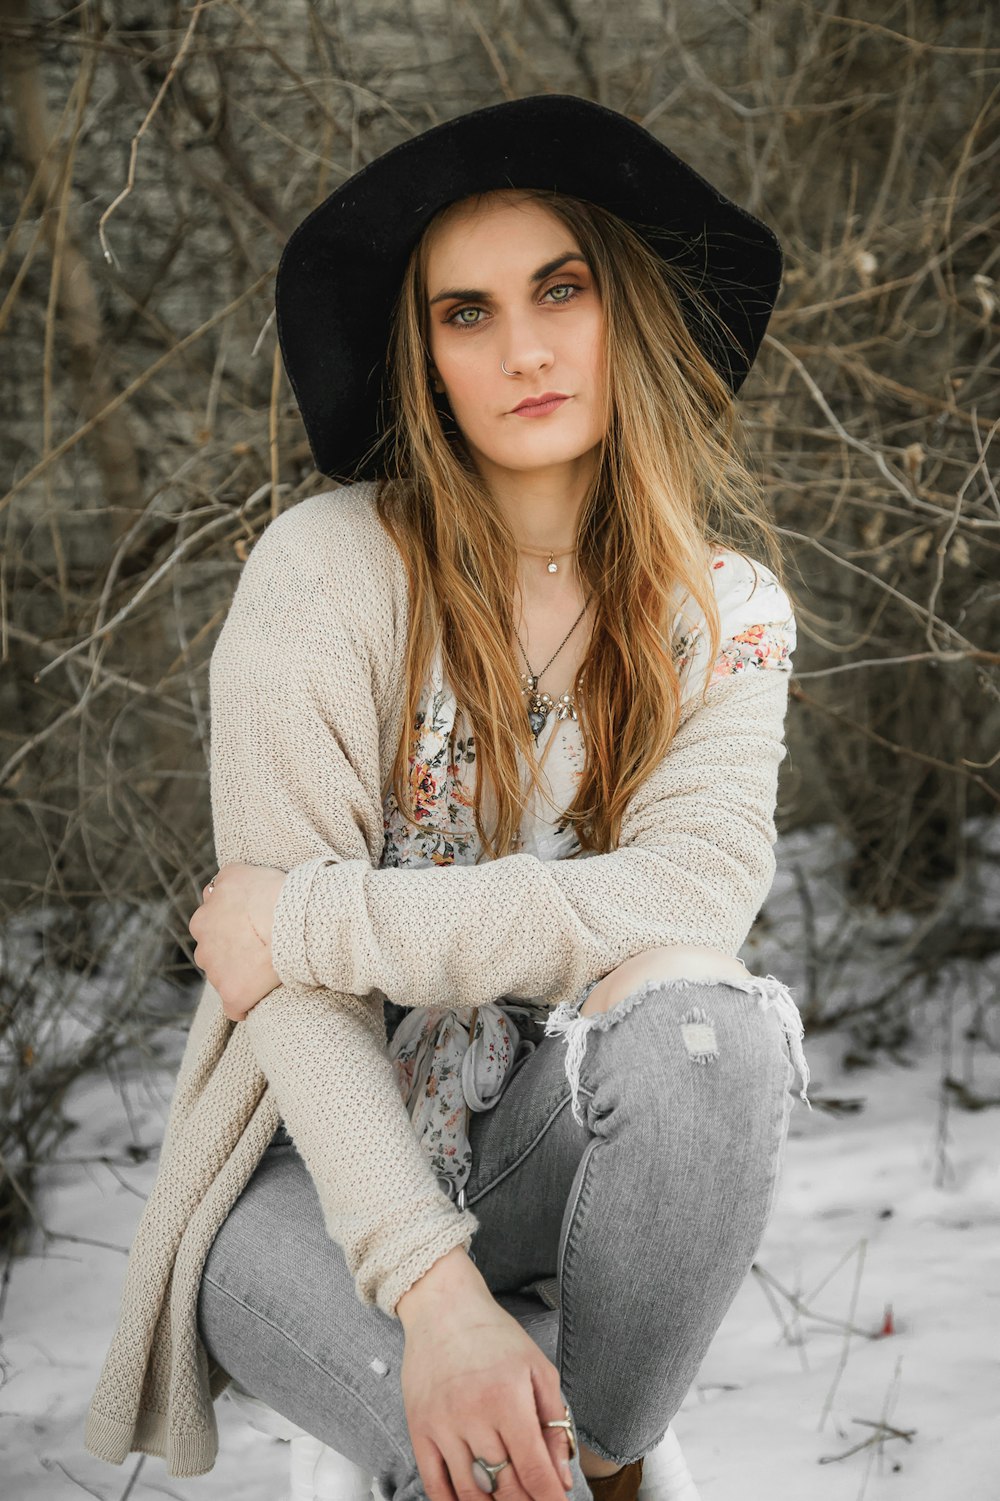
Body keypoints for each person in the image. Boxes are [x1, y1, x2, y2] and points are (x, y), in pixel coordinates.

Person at [83, 95, 811, 1501]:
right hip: (304, 1166)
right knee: (469, 1465)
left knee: (706, 1025)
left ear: (628, 307)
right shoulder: (326, 570)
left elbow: (690, 895)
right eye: (465, 313)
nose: (525, 347)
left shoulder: (726, 613)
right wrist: (435, 1296)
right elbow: (289, 1007)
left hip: (553, 1148)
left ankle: (597, 1452)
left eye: (561, 288)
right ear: (422, 355)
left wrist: (313, 923)